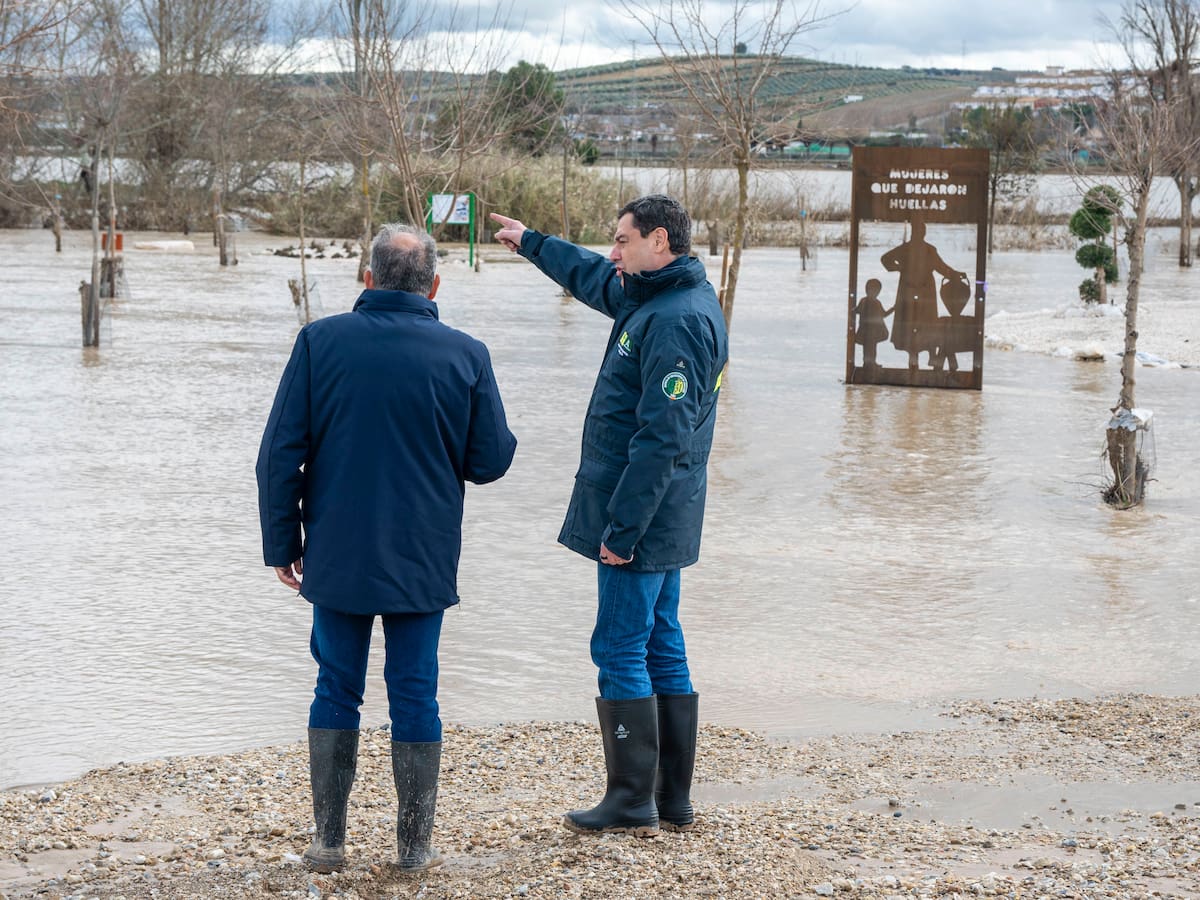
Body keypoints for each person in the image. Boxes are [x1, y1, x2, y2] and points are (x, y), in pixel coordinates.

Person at [256, 223, 517, 873]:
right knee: (416, 692)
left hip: (338, 550)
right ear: (434, 285)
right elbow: (490, 462)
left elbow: (278, 456)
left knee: (335, 686)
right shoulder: (465, 354)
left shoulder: (320, 342)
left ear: (366, 279)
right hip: (422, 554)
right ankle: (414, 847)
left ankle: (328, 842)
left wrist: (281, 544)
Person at [490, 195, 729, 837]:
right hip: (666, 513)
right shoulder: (652, 296)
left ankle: (630, 798)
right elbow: (595, 278)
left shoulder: (676, 320)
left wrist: (620, 532)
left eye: (622, 241)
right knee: (660, 640)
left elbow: (662, 439)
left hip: (644, 518)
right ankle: (668, 800)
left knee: (620, 643)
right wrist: (533, 242)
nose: (614, 252)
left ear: (658, 240)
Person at [880, 219, 965, 369]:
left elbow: (941, 268)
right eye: (916, 231)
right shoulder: (908, 249)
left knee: (926, 324)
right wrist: (899, 268)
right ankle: (915, 359)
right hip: (914, 292)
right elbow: (885, 259)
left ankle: (928, 356)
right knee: (913, 325)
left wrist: (955, 275)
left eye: (919, 231)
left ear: (923, 233)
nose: (918, 234)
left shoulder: (926, 250)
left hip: (924, 293)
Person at [854, 277, 892, 370]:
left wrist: (893, 309)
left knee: (871, 348)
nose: (874, 293)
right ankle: (867, 363)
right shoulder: (866, 301)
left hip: (872, 331)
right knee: (869, 348)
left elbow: (883, 314)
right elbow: (857, 311)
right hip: (868, 331)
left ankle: (870, 363)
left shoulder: (874, 302)